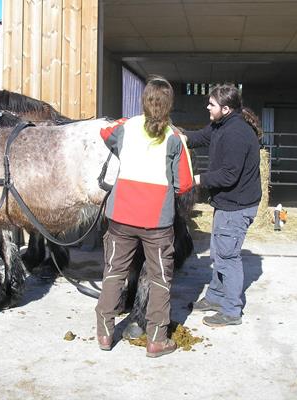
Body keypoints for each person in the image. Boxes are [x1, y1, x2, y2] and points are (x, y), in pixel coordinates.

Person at [95, 76, 193, 358]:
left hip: (121, 216)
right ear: (170, 104)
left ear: (144, 101)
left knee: (114, 272)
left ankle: (104, 333)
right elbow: (184, 184)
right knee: (161, 278)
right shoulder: (175, 138)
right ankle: (157, 340)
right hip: (157, 222)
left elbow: (105, 133)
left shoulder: (126, 127)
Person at [184, 83, 262, 327]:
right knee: (219, 253)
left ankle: (231, 310)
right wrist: (176, 136)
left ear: (226, 109)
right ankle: (215, 297)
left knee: (227, 257)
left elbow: (229, 175)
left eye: (212, 104)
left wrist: (196, 180)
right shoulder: (220, 125)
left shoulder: (236, 134)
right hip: (227, 203)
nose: (207, 107)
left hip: (237, 206)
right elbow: (198, 137)